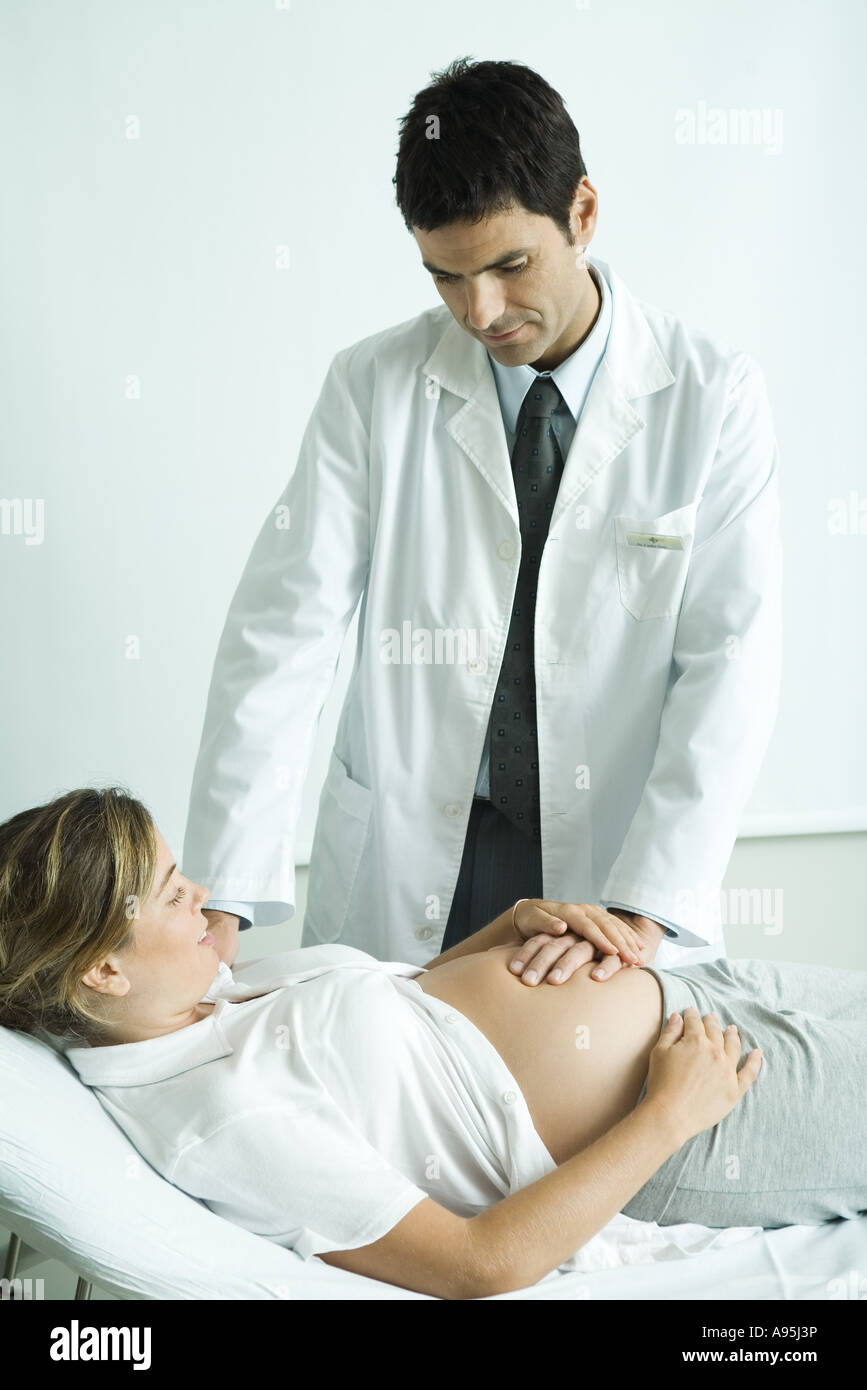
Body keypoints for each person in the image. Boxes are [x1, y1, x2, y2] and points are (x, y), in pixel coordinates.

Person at [180, 57, 783, 981]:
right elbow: (281, 634)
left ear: (582, 211)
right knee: (392, 1063)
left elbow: (729, 665)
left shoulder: (711, 395)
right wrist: (221, 890)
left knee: (586, 1067)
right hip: (419, 847)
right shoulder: (371, 387)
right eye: (446, 278)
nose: (481, 311)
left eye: (509, 265)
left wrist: (646, 906)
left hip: (616, 863)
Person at [2, 788, 864, 1301]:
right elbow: (478, 1266)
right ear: (102, 971)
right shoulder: (216, 1119)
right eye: (170, 892)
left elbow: (408, 1016)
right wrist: (670, 1115)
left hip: (689, 988)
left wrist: (513, 924)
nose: (201, 893)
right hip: (709, 1104)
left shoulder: (201, 996)